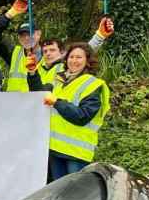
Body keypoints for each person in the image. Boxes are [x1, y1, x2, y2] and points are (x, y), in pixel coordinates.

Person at [0, 0, 114, 92]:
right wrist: (12, 12)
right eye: (22, 35)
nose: (26, 38)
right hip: (15, 109)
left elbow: (81, 53)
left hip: (40, 110)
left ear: (38, 34)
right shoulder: (14, 53)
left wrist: (100, 35)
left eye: (29, 34)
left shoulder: (50, 54)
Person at [27, 42, 110, 180]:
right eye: (71, 57)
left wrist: (57, 103)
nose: (74, 61)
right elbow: (40, 93)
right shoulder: (60, 80)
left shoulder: (93, 84)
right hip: (55, 149)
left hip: (76, 153)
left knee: (75, 196)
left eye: (79, 57)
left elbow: (82, 116)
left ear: (88, 61)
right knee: (59, 195)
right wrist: (32, 72)